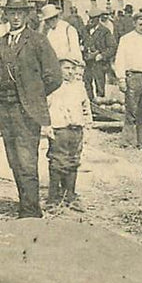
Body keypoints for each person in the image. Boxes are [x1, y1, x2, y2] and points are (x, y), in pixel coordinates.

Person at [0, 0, 62, 218]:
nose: (16, 17)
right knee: (14, 161)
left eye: (20, 13)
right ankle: (24, 204)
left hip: (27, 112)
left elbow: (55, 76)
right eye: (11, 13)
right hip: (4, 111)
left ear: (27, 15)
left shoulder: (37, 41)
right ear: (6, 15)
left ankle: (31, 212)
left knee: (27, 162)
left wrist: (33, 95)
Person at [46, 57, 92, 212]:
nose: (70, 72)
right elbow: (45, 107)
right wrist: (47, 126)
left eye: (73, 69)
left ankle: (70, 195)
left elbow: (85, 106)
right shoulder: (53, 86)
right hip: (60, 128)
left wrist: (87, 123)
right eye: (66, 68)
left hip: (76, 129)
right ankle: (53, 198)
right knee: (58, 161)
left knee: (73, 161)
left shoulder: (79, 87)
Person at [114, 12, 142, 149]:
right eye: (140, 24)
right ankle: (127, 141)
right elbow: (120, 59)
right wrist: (121, 79)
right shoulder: (126, 39)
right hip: (132, 77)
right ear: (134, 24)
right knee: (131, 110)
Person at [84, 7, 117, 99]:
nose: (90, 21)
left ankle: (100, 104)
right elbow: (81, 41)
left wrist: (101, 55)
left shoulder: (105, 31)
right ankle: (90, 104)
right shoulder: (85, 30)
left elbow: (112, 47)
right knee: (87, 84)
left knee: (99, 85)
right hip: (87, 62)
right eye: (89, 18)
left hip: (99, 64)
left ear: (98, 19)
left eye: (93, 19)